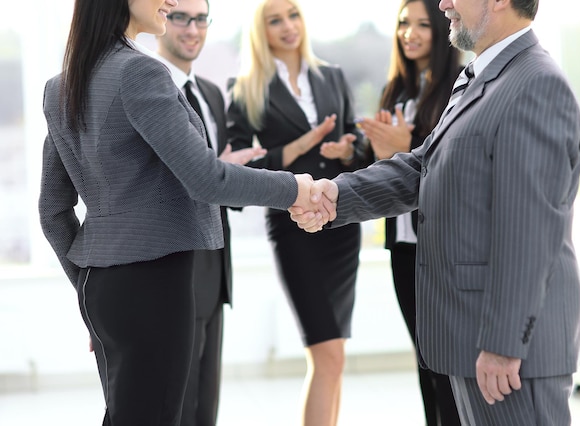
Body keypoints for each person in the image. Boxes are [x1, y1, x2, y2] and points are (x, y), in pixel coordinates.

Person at [291, 0, 580, 425]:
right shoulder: (481, 76)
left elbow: (529, 232)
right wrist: (335, 195)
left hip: (509, 354)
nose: (444, 2)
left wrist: (503, 345)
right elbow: (422, 166)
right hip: (473, 339)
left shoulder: (535, 84)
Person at [38, 0, 324, 423]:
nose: (170, 2)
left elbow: (52, 210)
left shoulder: (62, 84)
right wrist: (294, 187)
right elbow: (206, 179)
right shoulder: (140, 71)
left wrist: (85, 287)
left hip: (99, 288)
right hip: (153, 283)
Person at [226, 0, 367, 424]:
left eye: (293, 15)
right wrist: (299, 147)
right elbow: (236, 169)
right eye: (275, 20)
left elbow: (357, 140)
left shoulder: (332, 75)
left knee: (335, 356)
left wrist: (347, 148)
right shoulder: (245, 87)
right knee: (324, 354)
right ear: (260, 30)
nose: (288, 26)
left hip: (341, 223)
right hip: (293, 230)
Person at [153, 1, 267, 425]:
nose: (192, 29)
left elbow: (217, 180)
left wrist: (227, 171)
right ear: (161, 18)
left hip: (214, 265)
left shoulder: (213, 95)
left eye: (201, 19)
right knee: (175, 403)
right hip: (171, 266)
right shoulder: (147, 88)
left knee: (205, 402)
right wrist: (213, 174)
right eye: (181, 16)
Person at [358, 0, 461, 424]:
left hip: (440, 245)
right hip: (402, 244)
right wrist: (358, 151)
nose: (410, 33)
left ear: (442, 30)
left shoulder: (460, 84)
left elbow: (448, 165)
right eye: (403, 23)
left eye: (422, 24)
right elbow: (384, 169)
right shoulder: (398, 89)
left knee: (447, 365)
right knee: (424, 358)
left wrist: (402, 146)